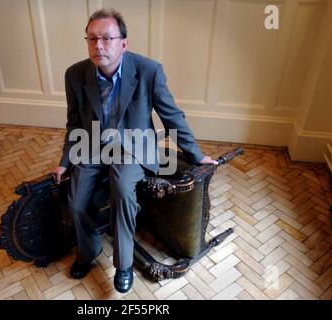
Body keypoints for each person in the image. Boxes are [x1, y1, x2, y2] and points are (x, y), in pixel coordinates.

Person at [52, 8, 218, 293]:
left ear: (123, 43)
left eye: (106, 38)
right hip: (92, 145)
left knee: (121, 189)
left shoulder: (148, 71)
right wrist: (65, 161)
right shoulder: (75, 75)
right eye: (92, 39)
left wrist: (195, 154)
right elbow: (74, 123)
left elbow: (172, 116)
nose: (98, 45)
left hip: (134, 148)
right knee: (77, 201)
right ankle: (88, 252)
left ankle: (124, 263)